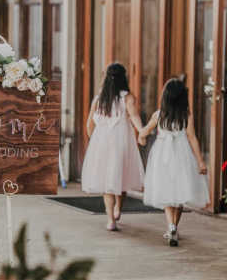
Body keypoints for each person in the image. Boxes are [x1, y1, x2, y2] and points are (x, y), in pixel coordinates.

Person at [139, 78, 209, 246]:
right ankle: (174, 228)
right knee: (179, 193)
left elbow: (145, 131)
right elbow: (192, 139)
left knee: (167, 192)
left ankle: (171, 226)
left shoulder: (158, 115)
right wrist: (200, 161)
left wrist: (141, 137)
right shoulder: (186, 116)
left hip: (162, 157)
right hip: (182, 156)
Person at [82, 63, 144, 231]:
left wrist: (92, 142)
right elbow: (134, 117)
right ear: (124, 78)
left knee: (107, 181)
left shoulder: (99, 98)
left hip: (102, 143)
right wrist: (142, 131)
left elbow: (89, 124)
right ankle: (117, 209)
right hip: (121, 142)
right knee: (121, 177)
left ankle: (111, 219)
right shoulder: (128, 98)